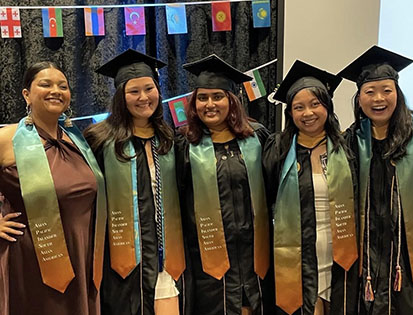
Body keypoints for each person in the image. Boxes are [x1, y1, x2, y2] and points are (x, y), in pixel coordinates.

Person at [84, 49, 186, 315]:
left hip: (166, 256)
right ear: (121, 96)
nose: (144, 98)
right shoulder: (99, 139)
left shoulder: (168, 138)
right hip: (120, 260)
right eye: (134, 92)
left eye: (149, 88)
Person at [0, 61, 106, 315]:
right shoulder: (8, 139)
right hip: (32, 258)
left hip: (82, 254)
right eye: (45, 84)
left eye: (63, 86)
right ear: (26, 94)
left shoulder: (78, 140)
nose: (55, 91)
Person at [339, 45, 413, 315]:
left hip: (412, 261)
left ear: (398, 94)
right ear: (359, 98)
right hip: (368, 259)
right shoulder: (351, 140)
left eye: (386, 90)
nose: (378, 98)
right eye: (370, 92)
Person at [176, 54, 273, 315]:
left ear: (231, 100)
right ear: (194, 103)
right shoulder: (184, 145)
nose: (210, 104)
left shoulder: (257, 136)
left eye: (217, 96)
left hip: (256, 260)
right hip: (207, 265)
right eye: (202, 97)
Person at [263, 60, 359, 315]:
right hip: (298, 258)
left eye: (315, 104)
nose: (308, 113)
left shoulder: (345, 148)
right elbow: (266, 200)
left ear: (327, 106)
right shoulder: (279, 150)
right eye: (299, 107)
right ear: (290, 113)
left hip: (342, 256)